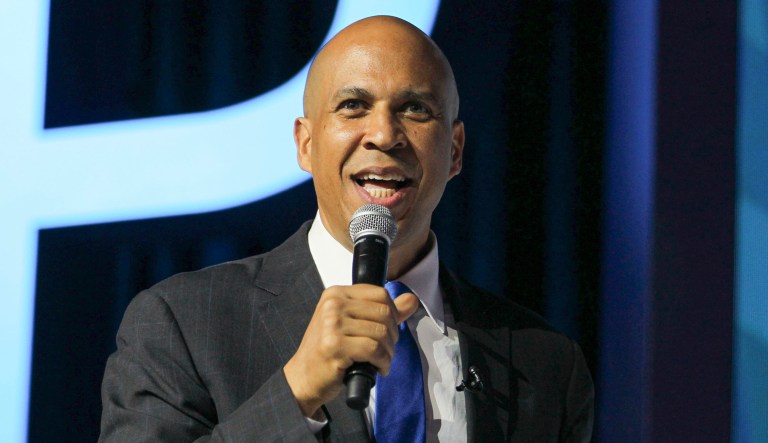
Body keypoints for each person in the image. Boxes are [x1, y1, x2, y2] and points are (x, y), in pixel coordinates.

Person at [99, 15, 594, 442]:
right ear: (306, 145)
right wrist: (298, 390)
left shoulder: (547, 364)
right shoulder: (180, 325)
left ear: (456, 151)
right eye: (353, 106)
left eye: (415, 108)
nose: (383, 134)